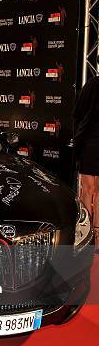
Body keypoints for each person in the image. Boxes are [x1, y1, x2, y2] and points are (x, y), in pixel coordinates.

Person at [73, 73, 99, 250]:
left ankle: (86, 237)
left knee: (87, 191)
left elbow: (77, 114)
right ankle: (97, 236)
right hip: (91, 143)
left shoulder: (90, 85)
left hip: (89, 144)